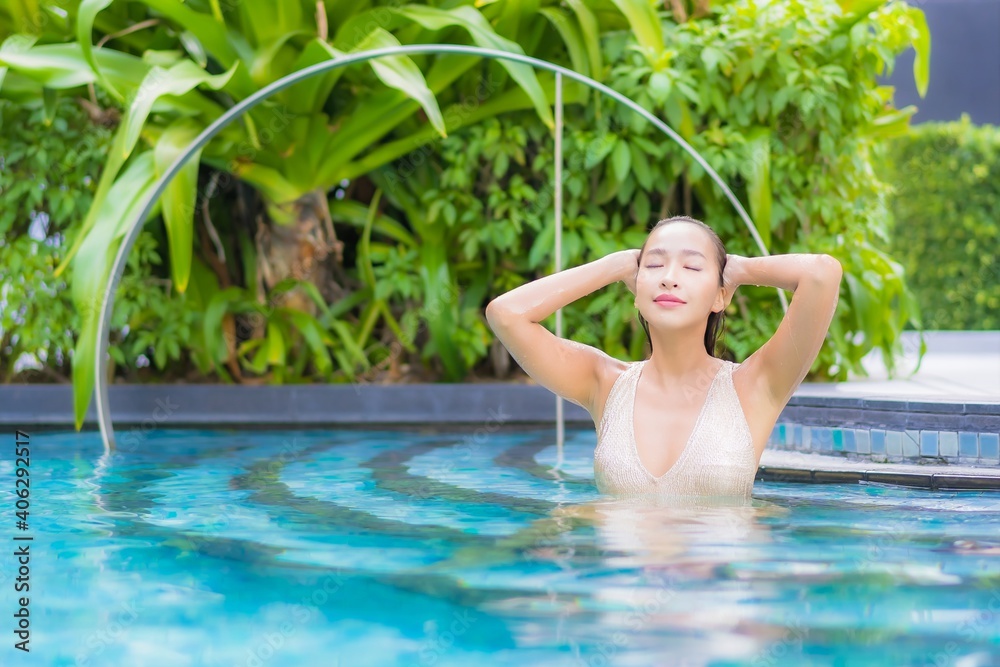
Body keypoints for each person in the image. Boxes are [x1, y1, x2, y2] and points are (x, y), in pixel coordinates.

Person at [485, 215, 843, 500]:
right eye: (654, 265)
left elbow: (821, 274)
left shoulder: (756, 385)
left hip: (722, 587)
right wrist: (617, 264)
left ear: (720, 296)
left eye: (691, 267)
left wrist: (737, 270)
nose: (670, 278)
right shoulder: (605, 383)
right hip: (618, 586)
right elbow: (507, 314)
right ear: (635, 290)